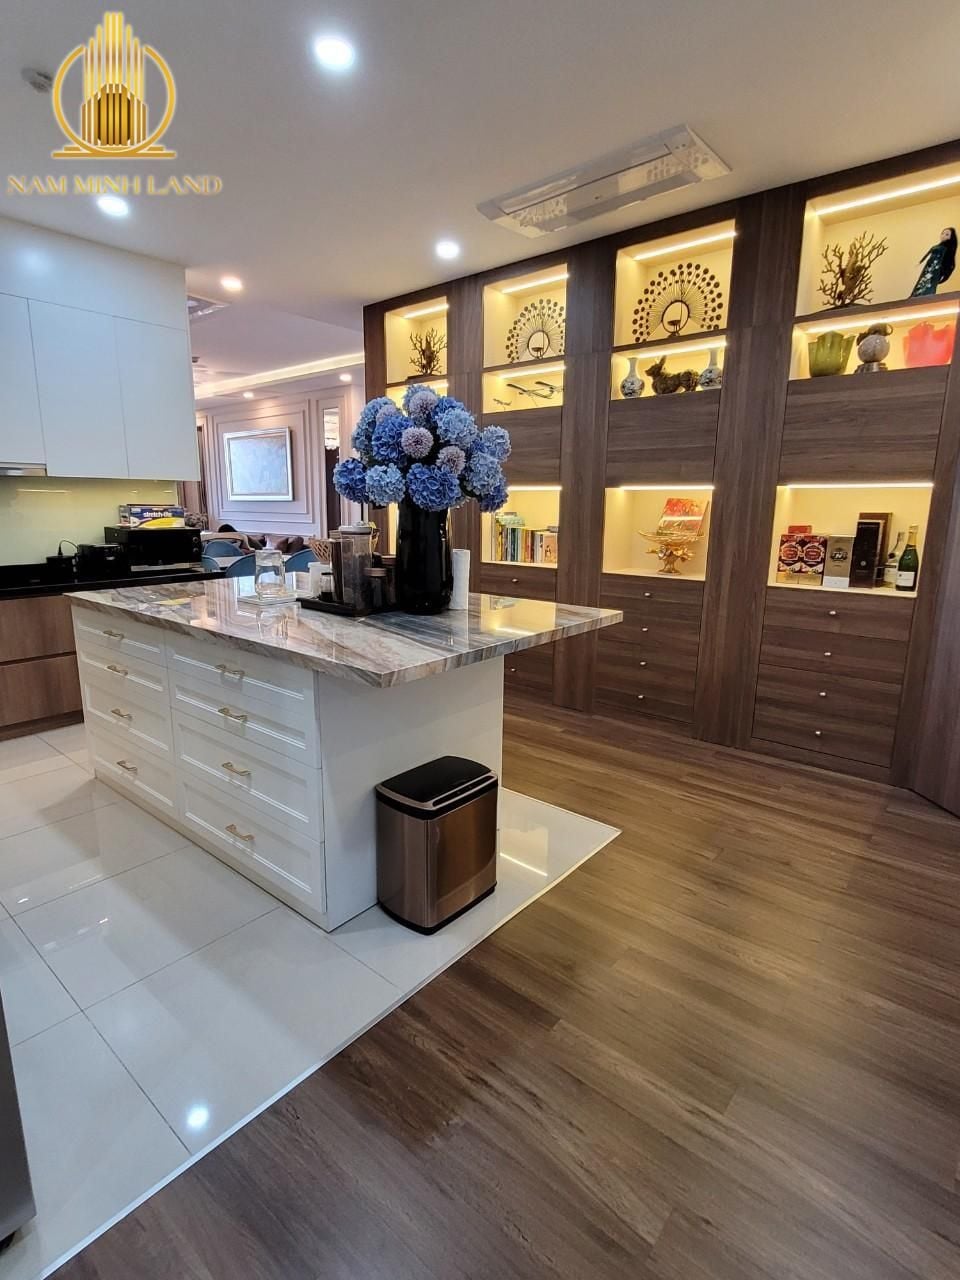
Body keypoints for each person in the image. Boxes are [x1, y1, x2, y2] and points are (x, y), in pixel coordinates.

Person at [911, 227, 957, 296]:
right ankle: (916, 295)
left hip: (937, 269)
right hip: (928, 267)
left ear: (951, 237)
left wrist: (944, 272)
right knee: (922, 281)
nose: (943, 235)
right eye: (942, 233)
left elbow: (949, 262)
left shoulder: (948, 249)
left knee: (930, 284)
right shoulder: (935, 246)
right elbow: (927, 254)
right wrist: (920, 262)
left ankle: (926, 296)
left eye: (947, 234)